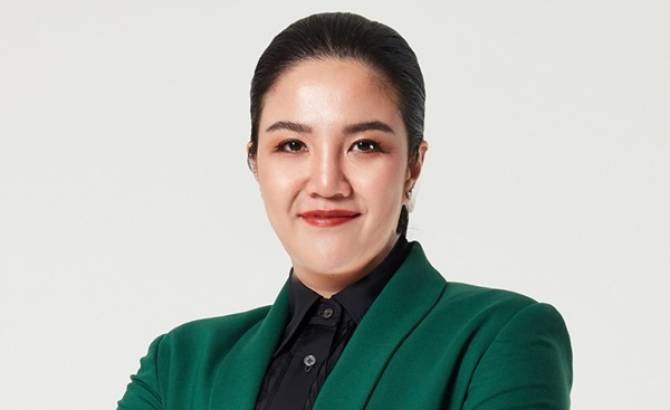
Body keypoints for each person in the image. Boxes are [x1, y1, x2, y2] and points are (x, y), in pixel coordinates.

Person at [117, 11, 572, 410]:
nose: (326, 183)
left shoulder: (500, 338)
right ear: (255, 162)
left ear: (413, 165)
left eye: (364, 145)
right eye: (292, 145)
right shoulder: (179, 363)